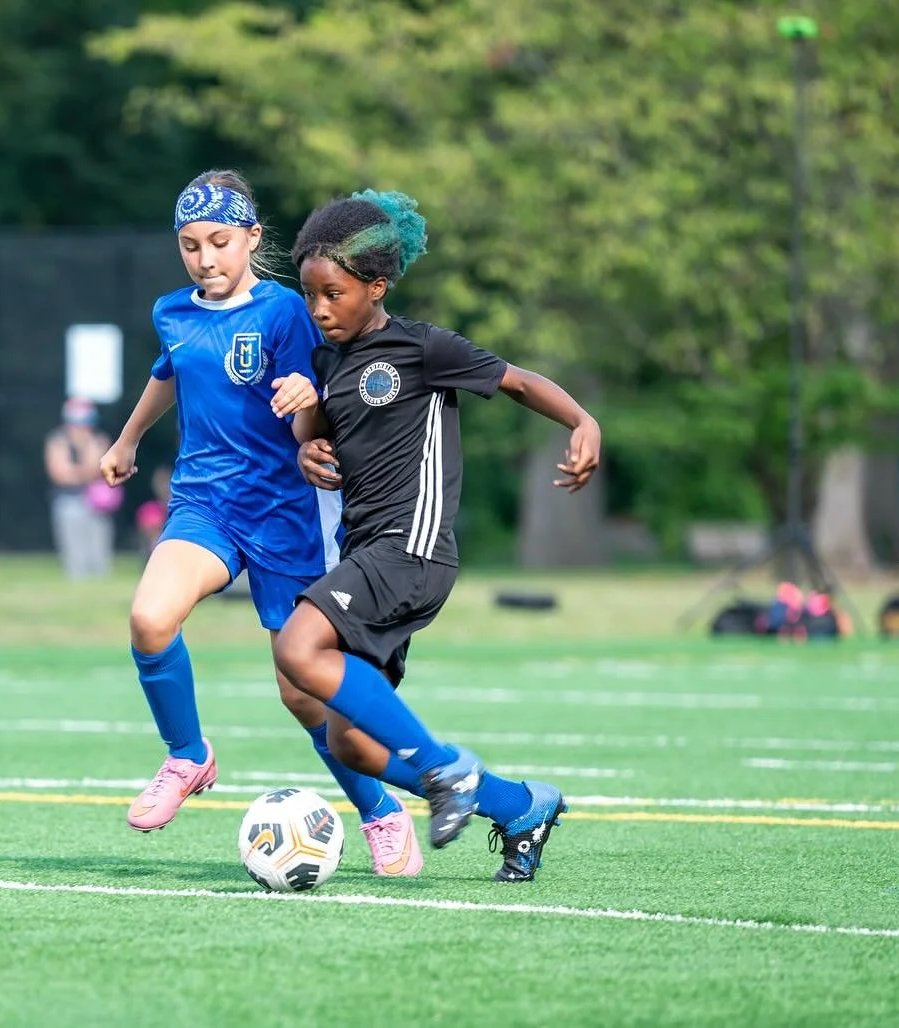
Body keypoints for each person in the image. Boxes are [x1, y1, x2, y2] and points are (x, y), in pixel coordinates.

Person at [99, 170, 424, 876]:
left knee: (302, 692)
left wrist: (309, 399)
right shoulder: (172, 313)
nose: (205, 259)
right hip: (204, 504)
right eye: (189, 245)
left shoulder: (284, 310)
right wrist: (126, 441)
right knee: (150, 620)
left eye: (219, 242)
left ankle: (380, 811)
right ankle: (187, 757)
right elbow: (169, 372)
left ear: (251, 237)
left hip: (282, 512)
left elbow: (315, 414)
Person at [271, 189, 602, 882]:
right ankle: (520, 807)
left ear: (376, 286)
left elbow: (517, 381)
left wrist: (582, 423)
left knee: (298, 647)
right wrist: (307, 441)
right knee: (353, 745)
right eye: (310, 295)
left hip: (411, 549)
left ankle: (445, 769)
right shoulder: (330, 365)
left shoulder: (422, 348)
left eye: (332, 293)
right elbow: (322, 438)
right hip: (369, 555)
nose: (319, 308)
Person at [45, 397, 115, 579]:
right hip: (68, 501)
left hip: (96, 502)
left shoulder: (98, 440)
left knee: (98, 549)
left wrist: (78, 470)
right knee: (74, 551)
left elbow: (98, 469)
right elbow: (59, 474)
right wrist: (86, 471)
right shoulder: (58, 441)